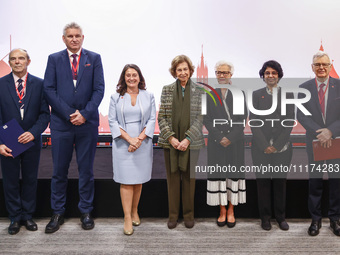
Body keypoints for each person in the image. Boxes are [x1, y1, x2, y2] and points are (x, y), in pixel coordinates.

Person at [43, 22, 105, 233]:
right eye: (70, 36)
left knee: (86, 171)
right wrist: (69, 114)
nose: (74, 39)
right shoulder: (54, 59)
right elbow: (49, 90)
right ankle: (57, 212)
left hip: (87, 125)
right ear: (64, 39)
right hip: (62, 124)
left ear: (83, 37)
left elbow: (99, 89)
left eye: (77, 35)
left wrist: (85, 114)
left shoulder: (94, 58)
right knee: (59, 171)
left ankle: (86, 211)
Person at [0, 48, 50, 235]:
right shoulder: (0, 84)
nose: (17, 62)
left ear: (28, 61)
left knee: (30, 180)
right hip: (7, 143)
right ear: (10, 62)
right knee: (10, 181)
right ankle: (14, 217)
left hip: (31, 141)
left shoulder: (40, 84)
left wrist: (33, 133)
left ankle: (27, 216)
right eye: (13, 59)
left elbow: (45, 115)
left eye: (21, 58)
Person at [158, 55, 204, 229]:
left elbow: (201, 118)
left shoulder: (200, 91)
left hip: (192, 143)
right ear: (174, 72)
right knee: (173, 180)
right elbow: (161, 117)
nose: (183, 72)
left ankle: (188, 215)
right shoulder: (167, 89)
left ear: (190, 71)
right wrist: (171, 138)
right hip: (171, 143)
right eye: (179, 69)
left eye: (185, 69)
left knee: (189, 180)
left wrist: (187, 139)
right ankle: (173, 216)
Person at [109, 64, 156, 235]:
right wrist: (130, 139)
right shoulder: (116, 97)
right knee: (126, 180)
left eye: (134, 75)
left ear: (139, 77)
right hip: (123, 143)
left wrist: (139, 140)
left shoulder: (148, 95)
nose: (131, 78)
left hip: (142, 142)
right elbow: (113, 122)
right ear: (124, 78)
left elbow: (152, 119)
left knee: (138, 179)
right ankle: (127, 217)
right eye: (128, 75)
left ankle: (135, 210)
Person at [297, 51, 340, 236]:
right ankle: (315, 220)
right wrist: (319, 133)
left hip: (335, 141)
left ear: (330, 66)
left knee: (335, 182)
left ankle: (335, 219)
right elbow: (301, 114)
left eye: (324, 64)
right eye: (317, 64)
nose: (321, 67)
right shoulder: (304, 88)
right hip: (314, 141)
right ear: (312, 67)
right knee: (315, 182)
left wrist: (330, 131)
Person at [250, 60, 294, 231]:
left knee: (279, 182)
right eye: (267, 73)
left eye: (274, 73)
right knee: (263, 183)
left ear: (278, 75)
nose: (270, 76)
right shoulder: (256, 95)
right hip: (260, 148)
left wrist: (276, 145)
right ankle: (265, 218)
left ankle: (281, 217)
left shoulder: (288, 95)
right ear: (263, 76)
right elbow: (254, 121)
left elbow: (289, 121)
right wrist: (264, 145)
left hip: (282, 148)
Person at [203, 61, 246, 228]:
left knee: (232, 176)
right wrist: (220, 137)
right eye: (219, 72)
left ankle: (231, 209)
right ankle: (221, 209)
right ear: (216, 74)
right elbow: (206, 119)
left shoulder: (240, 94)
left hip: (235, 143)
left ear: (231, 75)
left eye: (225, 72)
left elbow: (242, 119)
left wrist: (230, 138)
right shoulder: (208, 95)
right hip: (216, 142)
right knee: (219, 176)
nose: (222, 75)